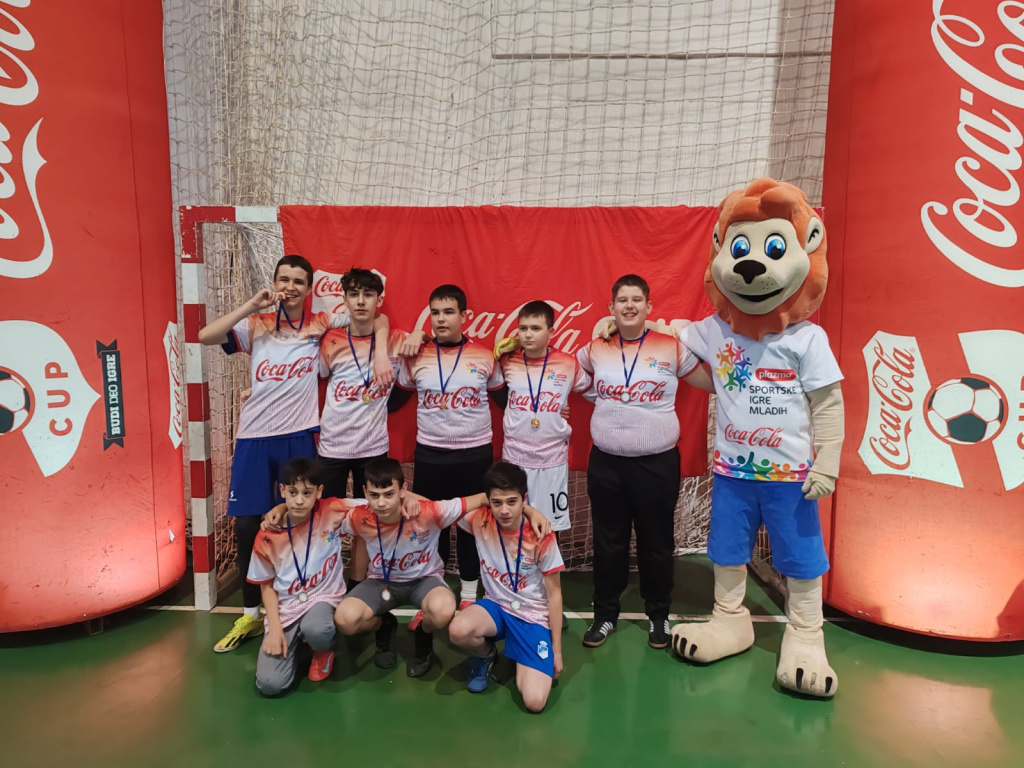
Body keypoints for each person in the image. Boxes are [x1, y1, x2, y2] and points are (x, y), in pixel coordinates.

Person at [197, 254, 392, 653]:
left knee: (304, 523)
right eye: (284, 279)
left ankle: (308, 600)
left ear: (308, 289)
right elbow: (204, 336)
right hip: (255, 436)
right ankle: (251, 615)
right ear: (275, 283)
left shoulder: (321, 323)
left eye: (298, 281)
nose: (290, 287)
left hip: (300, 436)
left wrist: (383, 351)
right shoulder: (256, 323)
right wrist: (252, 304)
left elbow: (377, 317)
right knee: (248, 527)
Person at [263, 457, 552, 678]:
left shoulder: (429, 512)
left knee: (443, 610)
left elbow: (485, 497)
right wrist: (282, 507)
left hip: (424, 581)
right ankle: (383, 626)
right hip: (381, 583)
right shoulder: (357, 516)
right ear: (365, 492)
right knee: (345, 619)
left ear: (403, 490)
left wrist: (530, 510)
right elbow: (312, 506)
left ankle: (423, 638)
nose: (381, 502)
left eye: (389, 493)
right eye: (374, 495)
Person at [575, 274, 711, 650]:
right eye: (622, 300)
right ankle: (605, 614)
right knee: (608, 542)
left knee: (657, 543)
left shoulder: (671, 347)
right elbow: (572, 374)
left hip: (657, 464)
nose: (629, 306)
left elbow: (711, 382)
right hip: (607, 464)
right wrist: (603, 400)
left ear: (649, 307)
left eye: (637, 300)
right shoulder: (596, 347)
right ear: (611, 308)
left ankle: (658, 615)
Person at [393, 284, 504, 624]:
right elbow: (393, 402)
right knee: (431, 527)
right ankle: (434, 592)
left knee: (473, 525)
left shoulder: (484, 356)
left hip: (475, 455)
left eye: (449, 312)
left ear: (464, 316)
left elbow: (506, 400)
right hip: (431, 455)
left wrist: (549, 410)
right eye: (435, 312)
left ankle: (469, 596)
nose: (441, 319)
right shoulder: (415, 355)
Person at [493, 301, 592, 628]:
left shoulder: (568, 364)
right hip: (515, 460)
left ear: (551, 331)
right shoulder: (507, 362)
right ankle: (514, 593)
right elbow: (495, 392)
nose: (528, 334)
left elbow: (591, 390)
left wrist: (559, 410)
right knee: (512, 527)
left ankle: (550, 600)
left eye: (536, 328)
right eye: (523, 328)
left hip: (551, 462)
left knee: (549, 531)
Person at [448, 461, 564, 713]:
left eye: (512, 501)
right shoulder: (480, 519)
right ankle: (486, 655)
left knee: (534, 702)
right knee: (458, 630)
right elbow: (436, 508)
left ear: (524, 499)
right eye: (497, 502)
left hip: (532, 616)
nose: (504, 510)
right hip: (496, 607)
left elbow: (555, 594)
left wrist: (557, 650)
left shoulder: (541, 534)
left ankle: (523, 652)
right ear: (488, 501)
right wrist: (402, 496)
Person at [318, 267, 407, 587]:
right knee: (326, 522)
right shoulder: (330, 341)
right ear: (343, 299)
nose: (360, 301)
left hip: (372, 448)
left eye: (368, 294)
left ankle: (358, 586)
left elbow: (422, 346)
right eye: (353, 294)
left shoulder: (396, 340)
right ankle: (326, 585)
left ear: (379, 300)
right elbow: (311, 377)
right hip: (332, 446)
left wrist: (417, 338)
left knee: (368, 521)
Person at [246, 458, 363, 696]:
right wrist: (275, 630)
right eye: (293, 492)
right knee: (270, 685)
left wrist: (409, 498)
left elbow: (377, 503)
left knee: (318, 629)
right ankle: (296, 641)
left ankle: (323, 649)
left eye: (307, 493)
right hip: (287, 608)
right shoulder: (267, 536)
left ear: (319, 492)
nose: (299, 500)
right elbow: (266, 586)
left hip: (323, 598)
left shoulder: (331, 511)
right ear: (282, 490)